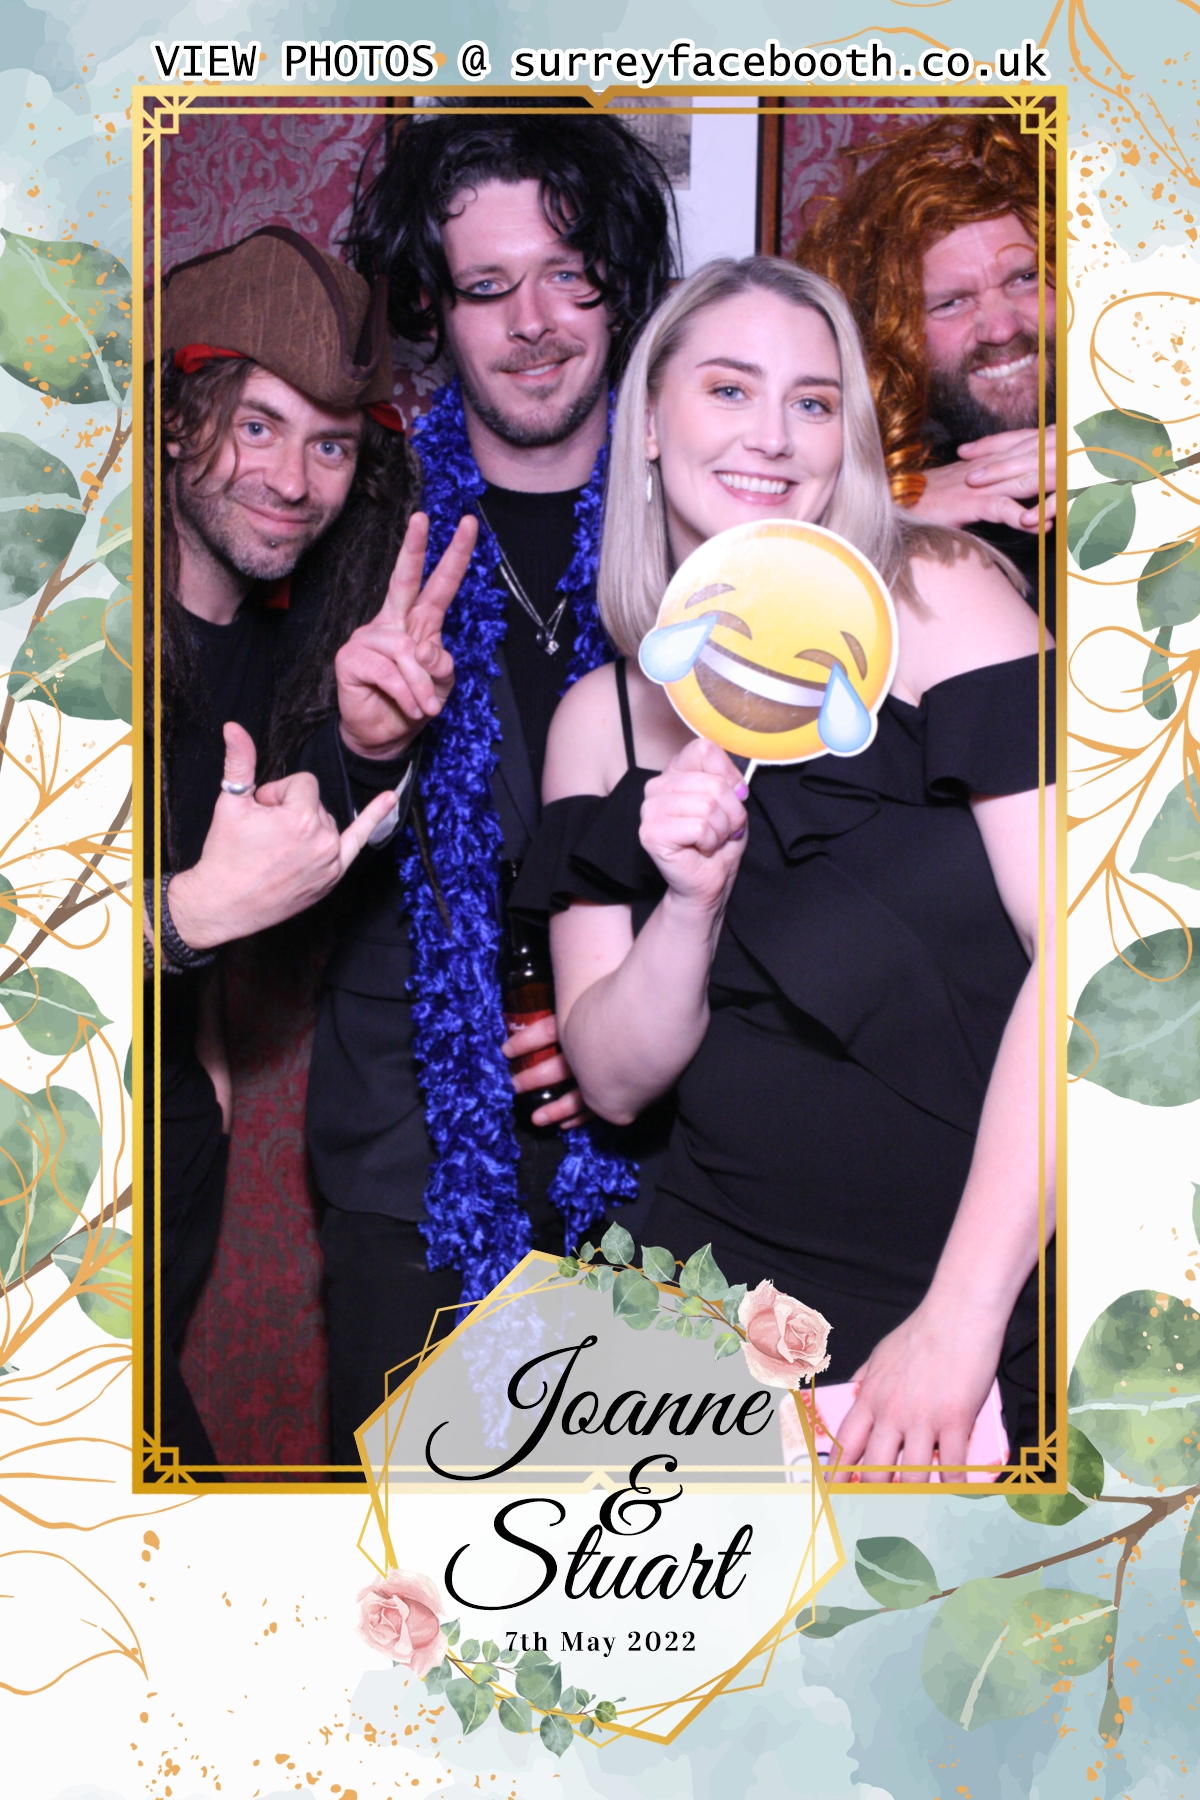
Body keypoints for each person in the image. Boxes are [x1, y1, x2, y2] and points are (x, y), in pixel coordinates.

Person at [513, 257, 1056, 1480]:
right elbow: (614, 1082)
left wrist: (960, 1320)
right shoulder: (601, 721)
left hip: (972, 1291)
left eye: (813, 402)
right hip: (712, 1289)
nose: (772, 434)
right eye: (728, 389)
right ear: (652, 420)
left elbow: (1095, 954)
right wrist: (689, 904)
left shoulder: (945, 599)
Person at [274, 109, 678, 1465]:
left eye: (570, 274)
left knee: (642, 1562)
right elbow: (264, 818)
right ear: (435, 310)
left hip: (673, 1155)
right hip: (414, 1166)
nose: (536, 322)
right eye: (489, 285)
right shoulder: (351, 516)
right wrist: (367, 745)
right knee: (407, 1570)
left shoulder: (713, 517)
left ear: (620, 286)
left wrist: (609, 1017)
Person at [144, 227, 475, 1471]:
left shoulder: (283, 649)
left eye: (331, 444)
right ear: (175, 423)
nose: (294, 478)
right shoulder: (54, 627)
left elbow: (289, 852)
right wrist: (182, 921)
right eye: (259, 426)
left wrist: (370, 740)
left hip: (165, 1169)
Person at [798, 112, 1057, 635]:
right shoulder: (860, 474)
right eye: (951, 302)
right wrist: (881, 512)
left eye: (1026, 278)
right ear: (897, 331)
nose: (1001, 327)